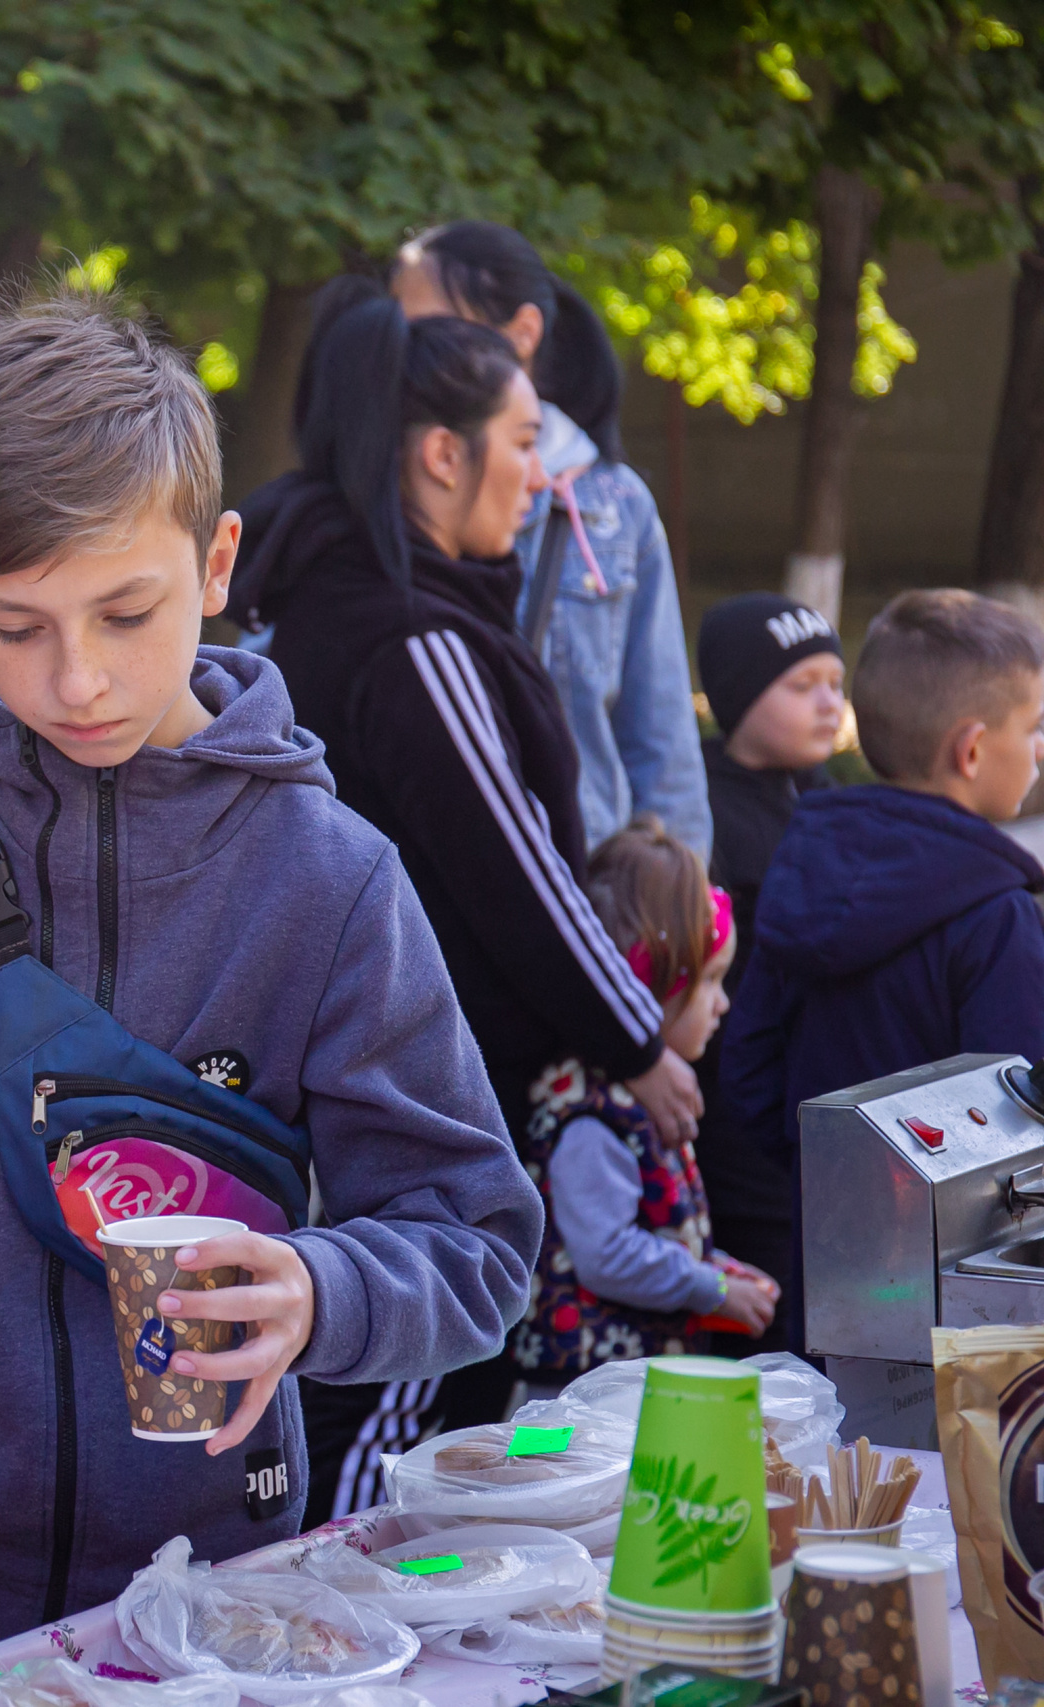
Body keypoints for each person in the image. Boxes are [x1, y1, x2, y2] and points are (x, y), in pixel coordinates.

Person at [0, 296, 539, 1647]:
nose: (76, 678)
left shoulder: (330, 878)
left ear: (215, 565)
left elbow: (474, 1231)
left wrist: (318, 1288)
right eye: (13, 626)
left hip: (206, 1595)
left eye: (125, 611)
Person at [233, 296, 698, 1519]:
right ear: (440, 454)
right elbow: (522, 873)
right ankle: (306, 1615)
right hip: (420, 1079)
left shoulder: (346, 601)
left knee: (377, 1376)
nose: (540, 476)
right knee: (402, 1396)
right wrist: (635, 1042)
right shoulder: (409, 637)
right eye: (524, 439)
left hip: (356, 1063)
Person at [724, 588, 1044, 1354]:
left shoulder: (799, 874)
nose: (1039, 750)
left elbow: (748, 1070)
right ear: (971, 750)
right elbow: (1024, 1120)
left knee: (849, 1466)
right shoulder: (996, 914)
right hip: (970, 1307)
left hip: (829, 1270)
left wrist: (835, 1177)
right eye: (1033, 730)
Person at [390, 221, 711, 860]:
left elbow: (661, 738)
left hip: (585, 881)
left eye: (430, 326)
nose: (405, 351)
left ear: (523, 333)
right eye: (395, 330)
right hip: (421, 889)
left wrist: (681, 917)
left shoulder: (614, 506)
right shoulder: (373, 493)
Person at [514, 819, 778, 1384]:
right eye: (709, 981)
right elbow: (606, 1253)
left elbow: (656, 1233)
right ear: (647, 979)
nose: (723, 1004)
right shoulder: (589, 1113)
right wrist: (711, 1288)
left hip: (626, 1386)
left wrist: (720, 1270)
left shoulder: (629, 1097)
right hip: (582, 1395)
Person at [692, 593, 844, 1352]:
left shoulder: (827, 797)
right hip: (731, 1128)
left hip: (811, 1121)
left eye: (836, 683)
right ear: (739, 694)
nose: (828, 702)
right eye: (801, 683)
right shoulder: (702, 812)